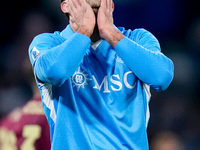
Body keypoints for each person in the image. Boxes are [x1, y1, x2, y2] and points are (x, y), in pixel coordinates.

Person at [28, 0, 174, 149]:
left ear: (111, 4)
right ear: (66, 6)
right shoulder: (49, 43)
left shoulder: (138, 39)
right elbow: (55, 72)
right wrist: (84, 30)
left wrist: (111, 33)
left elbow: (162, 77)